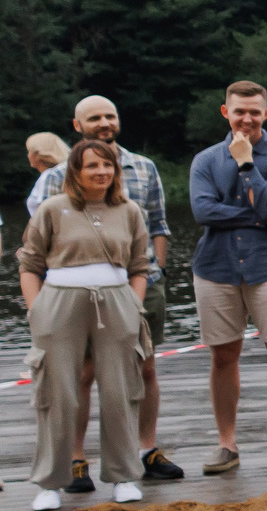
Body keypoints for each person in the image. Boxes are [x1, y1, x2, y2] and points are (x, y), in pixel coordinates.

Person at [28, 95, 179, 485]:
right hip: (69, 296)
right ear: (77, 126)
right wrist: (42, 306)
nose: (104, 122)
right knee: (78, 375)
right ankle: (76, 459)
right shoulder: (52, 180)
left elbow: (158, 226)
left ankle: (145, 450)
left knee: (142, 370)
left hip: (138, 287)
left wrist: (149, 277)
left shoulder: (144, 168)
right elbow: (39, 249)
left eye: (110, 115)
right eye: (94, 118)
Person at [19, 141, 153, 510]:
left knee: (120, 390)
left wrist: (133, 306)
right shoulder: (52, 209)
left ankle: (124, 475)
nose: (101, 172)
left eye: (107, 165)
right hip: (59, 303)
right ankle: (50, 481)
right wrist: (37, 312)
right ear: (75, 171)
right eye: (92, 166)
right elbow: (29, 265)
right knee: (56, 393)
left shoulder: (129, 211)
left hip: (117, 302)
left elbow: (140, 265)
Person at [189, 80, 267, 474]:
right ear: (226, 112)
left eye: (255, 111)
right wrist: (261, 217)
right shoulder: (205, 160)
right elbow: (203, 212)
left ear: (266, 114)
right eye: (239, 111)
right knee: (223, 355)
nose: (247, 118)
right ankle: (227, 445)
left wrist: (245, 163)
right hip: (215, 269)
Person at [25, 130, 67, 215]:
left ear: (37, 155)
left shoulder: (50, 176)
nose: (28, 155)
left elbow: (47, 216)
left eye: (29, 151)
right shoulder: (64, 171)